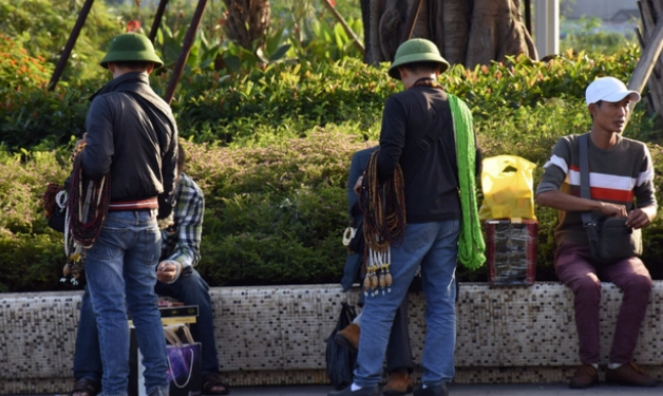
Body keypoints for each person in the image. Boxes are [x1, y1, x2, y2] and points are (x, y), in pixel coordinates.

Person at [330, 38, 484, 396]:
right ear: (436, 70)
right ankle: (436, 382)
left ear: (403, 71)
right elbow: (475, 162)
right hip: (450, 219)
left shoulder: (399, 103)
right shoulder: (460, 108)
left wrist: (367, 182)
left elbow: (388, 157)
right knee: (442, 303)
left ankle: (364, 382)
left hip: (408, 222)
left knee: (382, 302)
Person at [71, 146, 230, 396]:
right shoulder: (120, 191)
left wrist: (176, 265)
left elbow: (189, 247)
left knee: (196, 288)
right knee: (97, 293)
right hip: (124, 269)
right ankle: (87, 376)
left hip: (167, 267)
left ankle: (208, 372)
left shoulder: (190, 194)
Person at [535, 76, 657, 389]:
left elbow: (650, 202)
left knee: (640, 281)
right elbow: (544, 194)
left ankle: (620, 362)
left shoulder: (638, 152)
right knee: (588, 286)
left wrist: (647, 214)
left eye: (625, 104)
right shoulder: (570, 147)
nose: (622, 111)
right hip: (575, 246)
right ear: (593, 109)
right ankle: (588, 364)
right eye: (614, 104)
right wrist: (598, 205)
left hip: (620, 248)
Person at [77, 33, 178, 396]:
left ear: (111, 66)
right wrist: (157, 214)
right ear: (151, 67)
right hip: (149, 222)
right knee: (146, 307)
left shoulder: (105, 103)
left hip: (109, 222)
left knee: (110, 311)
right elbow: (171, 176)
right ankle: (158, 390)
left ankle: (115, 392)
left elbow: (97, 162)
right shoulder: (164, 108)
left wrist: (81, 157)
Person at [336, 146, 415, 396]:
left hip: (417, 252)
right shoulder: (362, 159)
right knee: (390, 275)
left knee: (392, 272)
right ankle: (399, 373)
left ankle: (361, 325)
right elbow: (355, 210)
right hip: (377, 249)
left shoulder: (422, 158)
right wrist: (373, 195)